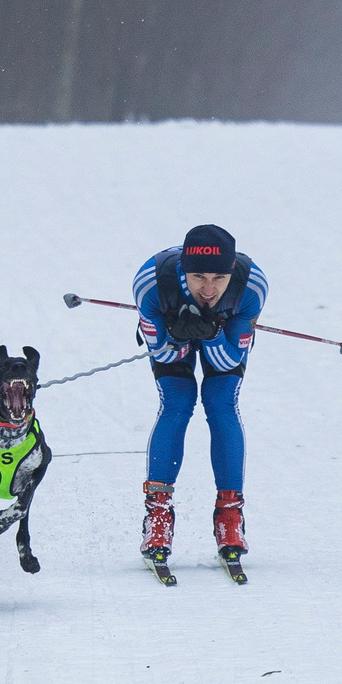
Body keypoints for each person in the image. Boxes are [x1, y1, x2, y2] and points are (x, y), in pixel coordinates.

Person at [134, 223, 266, 564]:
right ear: (183, 270)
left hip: (222, 337)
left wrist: (210, 335)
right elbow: (163, 356)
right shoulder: (151, 285)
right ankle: (158, 515)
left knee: (221, 402)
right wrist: (178, 337)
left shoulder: (250, 287)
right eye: (198, 278)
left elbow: (228, 360)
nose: (208, 289)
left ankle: (230, 515)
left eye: (218, 279)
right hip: (170, 327)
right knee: (177, 402)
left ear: (232, 271)